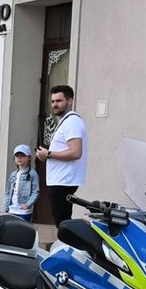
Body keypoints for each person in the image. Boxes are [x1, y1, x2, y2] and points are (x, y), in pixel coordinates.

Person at [36, 85, 87, 226]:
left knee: (63, 224)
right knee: (62, 223)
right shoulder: (65, 121)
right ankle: (68, 245)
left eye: (59, 101)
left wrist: (49, 154)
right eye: (52, 101)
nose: (55, 105)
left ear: (70, 101)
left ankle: (70, 247)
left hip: (64, 180)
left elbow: (76, 152)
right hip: (59, 180)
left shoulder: (72, 121)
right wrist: (45, 156)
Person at [5, 144, 39, 222]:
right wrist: (6, 206)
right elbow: (8, 192)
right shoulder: (13, 174)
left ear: (29, 157)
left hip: (24, 211)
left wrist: (28, 204)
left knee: (23, 232)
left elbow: (36, 191)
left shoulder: (32, 174)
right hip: (11, 210)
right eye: (17, 156)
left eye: (23, 155)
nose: (19, 158)